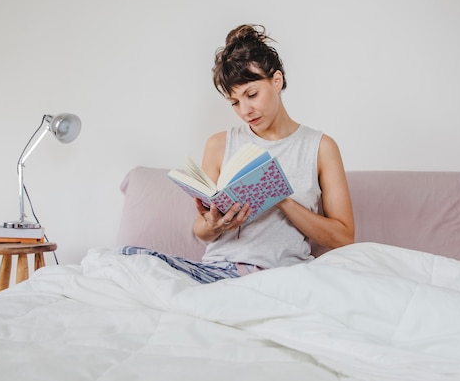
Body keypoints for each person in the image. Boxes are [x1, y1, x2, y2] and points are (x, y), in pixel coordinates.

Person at [122, 24, 354, 283]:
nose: (245, 111)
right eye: (234, 102)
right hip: (217, 272)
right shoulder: (219, 145)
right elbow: (201, 230)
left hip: (280, 276)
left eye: (251, 94)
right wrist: (213, 225)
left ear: (276, 81)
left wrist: (280, 198)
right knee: (125, 261)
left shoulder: (320, 147)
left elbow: (344, 237)